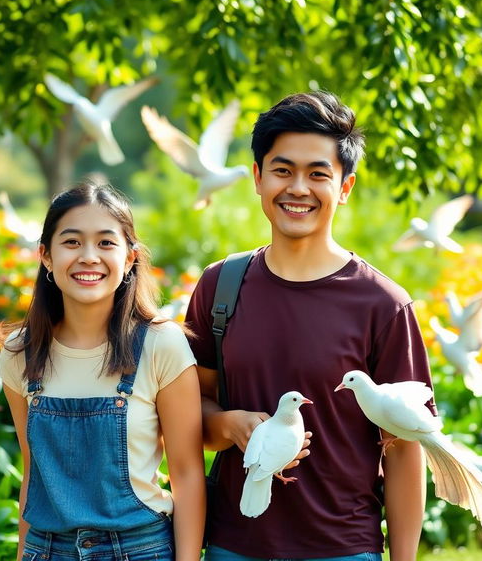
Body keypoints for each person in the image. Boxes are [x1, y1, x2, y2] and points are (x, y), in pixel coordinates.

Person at [185, 92, 436, 561]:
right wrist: (230, 424)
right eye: (282, 170)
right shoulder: (219, 287)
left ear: (345, 186)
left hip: (343, 547)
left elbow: (404, 452)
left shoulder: (384, 305)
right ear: (257, 178)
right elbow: (190, 413)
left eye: (318, 174)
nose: (297, 188)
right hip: (234, 545)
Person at [0, 182, 205, 561]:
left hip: (141, 548)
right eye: (72, 242)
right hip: (46, 551)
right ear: (45, 255)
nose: (89, 256)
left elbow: (187, 473)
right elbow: (34, 474)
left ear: (130, 258)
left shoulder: (162, 345)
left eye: (106, 243)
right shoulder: (19, 354)